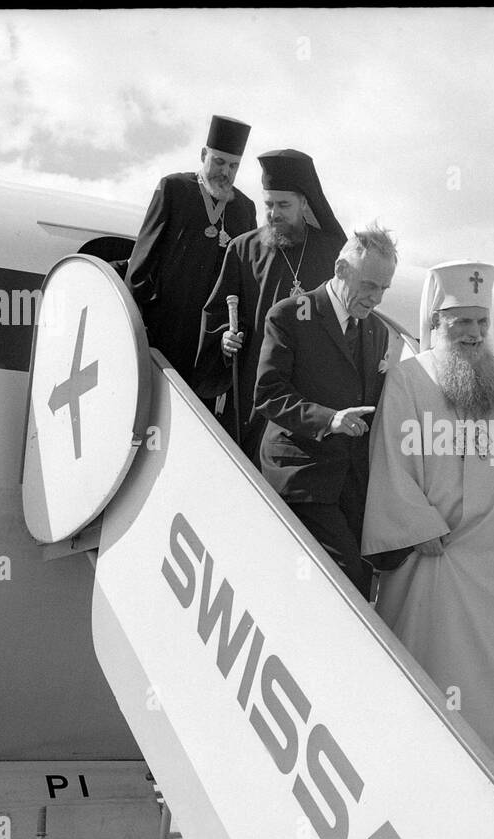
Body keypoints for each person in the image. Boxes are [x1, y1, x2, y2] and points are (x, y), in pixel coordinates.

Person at [361, 260, 494, 781]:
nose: (474, 333)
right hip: (438, 555)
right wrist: (417, 524)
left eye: (481, 322)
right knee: (440, 679)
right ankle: (436, 776)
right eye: (461, 322)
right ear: (436, 322)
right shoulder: (409, 380)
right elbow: (390, 456)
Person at [253, 224, 397, 598]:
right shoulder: (289, 315)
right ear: (341, 270)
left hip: (350, 485)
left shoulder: (376, 332)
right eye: (370, 286)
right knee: (350, 585)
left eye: (384, 289)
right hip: (301, 475)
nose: (376, 298)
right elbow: (269, 394)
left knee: (378, 575)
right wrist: (328, 419)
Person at [197, 149, 346, 459]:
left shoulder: (332, 252)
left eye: (283, 205)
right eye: (268, 205)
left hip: (310, 389)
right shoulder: (243, 248)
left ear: (304, 203)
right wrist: (224, 338)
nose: (274, 213)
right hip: (254, 389)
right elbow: (216, 313)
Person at [126, 115, 256, 391]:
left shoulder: (244, 208)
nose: (225, 172)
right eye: (219, 162)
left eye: (233, 166)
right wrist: (140, 327)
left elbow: (245, 282)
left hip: (209, 343)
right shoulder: (174, 189)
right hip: (164, 331)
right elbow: (141, 265)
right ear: (203, 155)